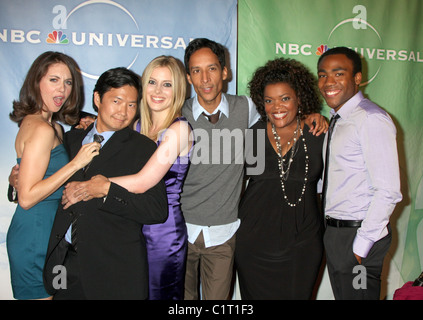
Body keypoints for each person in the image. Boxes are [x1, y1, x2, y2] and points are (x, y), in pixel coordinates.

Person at [180, 38, 328, 300]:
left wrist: (314, 115)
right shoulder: (179, 115)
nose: (205, 78)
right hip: (206, 233)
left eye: (212, 68)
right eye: (196, 70)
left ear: (225, 72)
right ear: (188, 76)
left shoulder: (246, 110)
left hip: (286, 239)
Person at [61, 56, 193, 300]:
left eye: (167, 84)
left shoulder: (179, 129)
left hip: (162, 232)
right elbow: (110, 136)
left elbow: (144, 180)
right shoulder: (137, 125)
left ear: (179, 90)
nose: (158, 90)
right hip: (131, 229)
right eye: (152, 82)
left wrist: (92, 186)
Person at [42, 67, 168, 300]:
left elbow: (156, 210)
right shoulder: (69, 140)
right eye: (117, 101)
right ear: (98, 99)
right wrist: (17, 179)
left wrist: (108, 192)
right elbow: (42, 183)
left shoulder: (144, 148)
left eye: (132, 104)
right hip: (65, 264)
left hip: (115, 270)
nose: (124, 111)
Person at [6, 51, 100, 300]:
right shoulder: (40, 128)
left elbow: (29, 177)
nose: (62, 89)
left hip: (50, 236)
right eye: (53, 80)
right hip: (34, 237)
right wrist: (76, 162)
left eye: (68, 82)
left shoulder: (53, 126)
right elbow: (26, 198)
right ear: (37, 82)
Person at [235, 58, 325, 299]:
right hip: (253, 243)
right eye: (269, 100)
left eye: (285, 98)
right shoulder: (252, 136)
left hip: (303, 243)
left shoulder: (318, 133)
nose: (277, 107)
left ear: (299, 99)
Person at [317, 46, 402, 299]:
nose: (328, 82)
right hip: (337, 234)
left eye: (338, 73)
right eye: (322, 74)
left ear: (357, 78)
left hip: (358, 236)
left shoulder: (370, 118)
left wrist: (360, 247)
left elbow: (388, 191)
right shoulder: (339, 119)